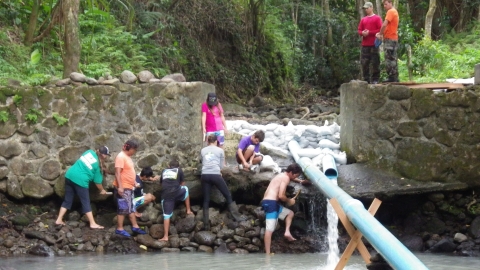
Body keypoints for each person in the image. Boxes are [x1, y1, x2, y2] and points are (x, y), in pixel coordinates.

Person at [55, 146, 110, 229]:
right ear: (104, 155)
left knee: (67, 200)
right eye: (106, 155)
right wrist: (102, 190)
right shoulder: (98, 167)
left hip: (69, 175)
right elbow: (98, 182)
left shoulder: (89, 152)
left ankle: (59, 219)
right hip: (80, 181)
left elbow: (89, 163)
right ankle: (92, 223)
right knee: (86, 202)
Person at [201, 134, 246, 230]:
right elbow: (221, 166)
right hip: (215, 175)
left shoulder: (203, 150)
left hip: (204, 175)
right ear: (216, 141)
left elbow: (203, 162)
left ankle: (205, 224)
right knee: (227, 195)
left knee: (206, 199)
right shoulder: (220, 150)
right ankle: (237, 217)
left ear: (208, 142)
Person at [261, 163, 303, 254]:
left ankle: (287, 232)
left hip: (271, 203)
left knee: (290, 213)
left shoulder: (282, 175)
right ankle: (268, 254)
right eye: (296, 175)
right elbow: (281, 196)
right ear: (291, 172)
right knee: (270, 229)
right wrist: (289, 201)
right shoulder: (286, 178)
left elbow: (292, 178)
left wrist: (300, 181)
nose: (296, 177)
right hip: (271, 203)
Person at [113, 139, 147, 237]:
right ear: (129, 148)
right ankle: (119, 228)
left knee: (131, 208)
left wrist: (135, 182)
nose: (134, 152)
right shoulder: (120, 157)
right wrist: (120, 187)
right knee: (123, 208)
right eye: (134, 150)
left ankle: (135, 226)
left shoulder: (127, 157)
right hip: (123, 187)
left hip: (129, 187)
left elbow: (129, 172)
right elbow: (117, 173)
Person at [159, 160, 193, 241]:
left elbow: (161, 183)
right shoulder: (179, 170)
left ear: (169, 166)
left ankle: (165, 236)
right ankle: (188, 210)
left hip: (166, 195)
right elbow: (182, 183)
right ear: (178, 166)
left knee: (166, 215)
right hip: (177, 192)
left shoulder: (164, 171)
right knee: (186, 189)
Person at [357, 2, 383, 84]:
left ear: (371, 8)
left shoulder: (377, 18)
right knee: (364, 63)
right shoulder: (363, 19)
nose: (366, 10)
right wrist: (362, 33)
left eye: (367, 8)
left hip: (374, 44)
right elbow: (359, 30)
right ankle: (366, 79)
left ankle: (375, 79)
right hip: (365, 45)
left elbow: (380, 29)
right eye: (365, 9)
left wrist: (370, 32)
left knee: (375, 62)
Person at [376, 0, 399, 83]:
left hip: (389, 38)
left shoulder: (390, 11)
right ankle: (395, 76)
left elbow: (384, 24)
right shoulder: (395, 11)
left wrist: (380, 34)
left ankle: (392, 77)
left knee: (388, 58)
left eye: (386, 4)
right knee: (393, 58)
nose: (384, 6)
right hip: (394, 38)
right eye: (384, 5)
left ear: (390, 3)